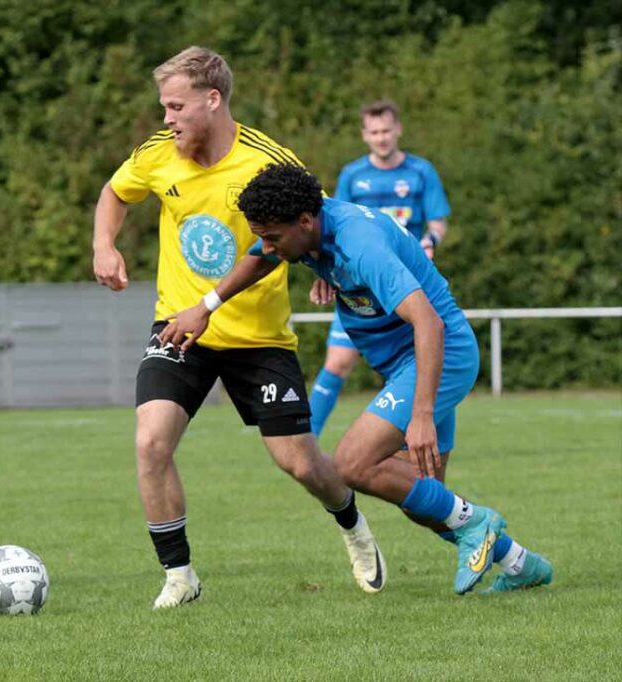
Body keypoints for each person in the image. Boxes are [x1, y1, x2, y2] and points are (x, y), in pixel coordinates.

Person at [161, 163, 552, 594]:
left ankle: (478, 521)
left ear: (305, 222)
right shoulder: (308, 228)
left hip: (438, 356)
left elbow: (429, 323)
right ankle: (522, 566)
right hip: (407, 363)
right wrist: (207, 305)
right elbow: (259, 260)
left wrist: (421, 413)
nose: (267, 245)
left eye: (272, 236)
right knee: (422, 498)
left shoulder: (361, 245)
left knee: (352, 463)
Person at [92, 47, 385, 609]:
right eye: (164, 107)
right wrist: (103, 245)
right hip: (182, 324)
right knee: (151, 440)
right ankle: (180, 577)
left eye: (176, 106)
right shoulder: (158, 155)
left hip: (258, 336)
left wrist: (326, 265)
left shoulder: (268, 162)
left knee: (299, 462)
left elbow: (315, 224)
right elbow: (114, 193)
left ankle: (351, 522)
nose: (167, 118)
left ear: (213, 99)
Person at [309, 99, 451, 436]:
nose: (382, 137)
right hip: (358, 284)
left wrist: (431, 239)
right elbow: (328, 224)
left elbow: (438, 220)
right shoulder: (354, 175)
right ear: (365, 135)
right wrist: (324, 270)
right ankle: (307, 440)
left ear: (398, 129)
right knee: (338, 361)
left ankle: (426, 433)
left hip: (404, 280)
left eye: (386, 130)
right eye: (374, 132)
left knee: (416, 361)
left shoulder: (421, 171)